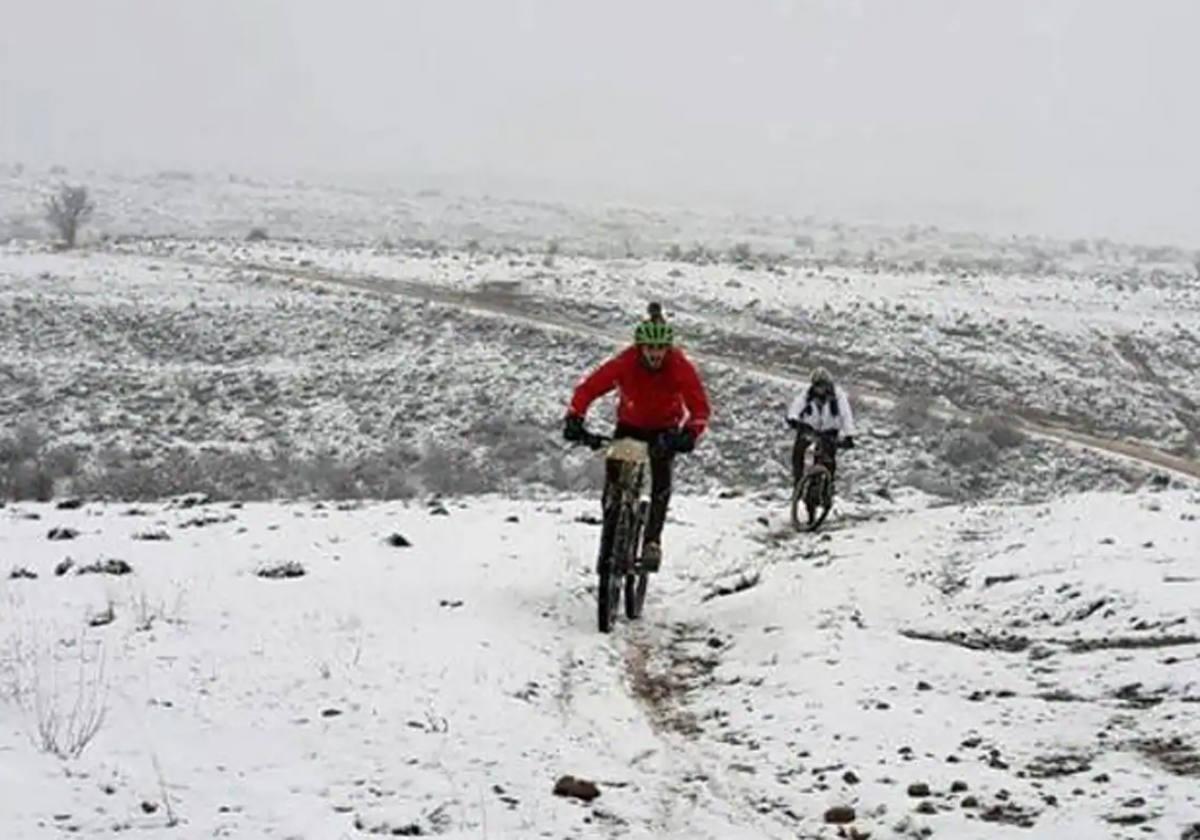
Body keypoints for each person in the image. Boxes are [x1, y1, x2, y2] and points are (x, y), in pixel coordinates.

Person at [563, 303, 710, 572]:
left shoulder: (679, 366)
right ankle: (612, 522)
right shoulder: (626, 362)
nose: (655, 354)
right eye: (649, 349)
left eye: (660, 349)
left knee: (661, 484)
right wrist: (575, 416)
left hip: (665, 430)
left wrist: (689, 433)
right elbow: (590, 387)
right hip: (630, 426)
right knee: (615, 484)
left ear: (668, 348)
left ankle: (652, 541)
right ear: (640, 347)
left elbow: (699, 407)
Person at [786, 367, 856, 483]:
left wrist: (849, 435)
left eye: (822, 386)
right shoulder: (807, 395)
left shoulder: (838, 396)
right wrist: (793, 420)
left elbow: (846, 415)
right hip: (809, 429)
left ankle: (828, 487)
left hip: (829, 431)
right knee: (798, 454)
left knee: (828, 458)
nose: (819, 389)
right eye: (817, 386)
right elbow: (796, 406)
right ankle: (798, 481)